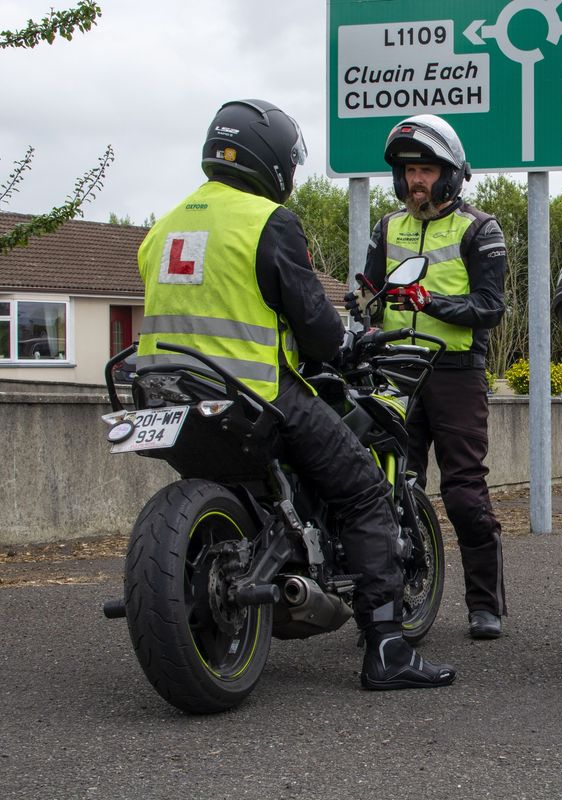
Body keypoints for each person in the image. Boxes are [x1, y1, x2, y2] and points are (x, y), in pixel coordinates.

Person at [135, 99, 455, 691]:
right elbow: (314, 323)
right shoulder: (265, 222)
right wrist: (341, 345)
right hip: (256, 392)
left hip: (168, 396)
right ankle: (387, 648)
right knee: (363, 490)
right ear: (272, 158)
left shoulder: (163, 227)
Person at [354, 114, 509, 639]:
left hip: (455, 373)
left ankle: (485, 605)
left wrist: (433, 303)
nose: (414, 180)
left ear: (450, 173)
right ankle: (384, 607)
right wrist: (363, 306)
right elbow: (370, 295)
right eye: (407, 171)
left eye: (424, 169)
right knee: (387, 489)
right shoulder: (387, 227)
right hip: (393, 371)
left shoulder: (480, 229)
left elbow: (491, 307)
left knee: (464, 493)